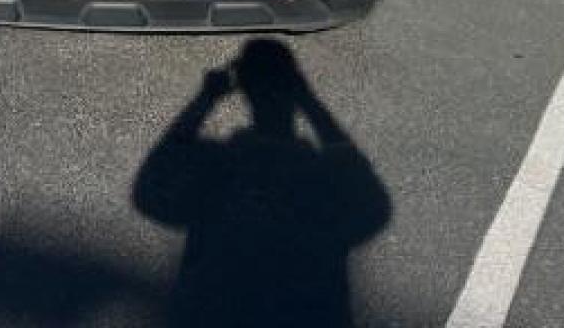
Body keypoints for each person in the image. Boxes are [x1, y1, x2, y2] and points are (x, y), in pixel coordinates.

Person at [132, 39, 391, 327]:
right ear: (294, 90)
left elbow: (151, 187)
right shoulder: (320, 175)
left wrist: (206, 99)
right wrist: (309, 100)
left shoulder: (219, 166)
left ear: (242, 87)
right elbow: (371, 201)